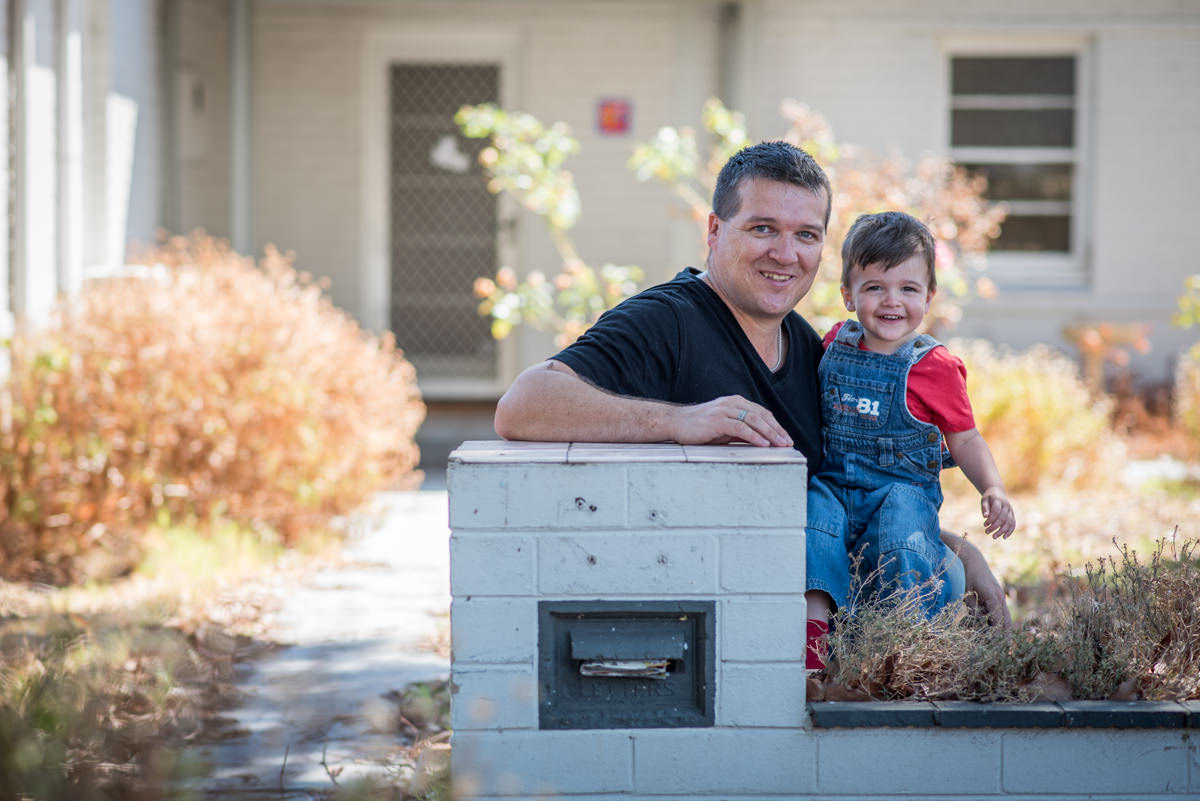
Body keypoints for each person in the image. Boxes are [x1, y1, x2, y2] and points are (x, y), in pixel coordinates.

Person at [493, 141, 1012, 628]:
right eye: (763, 228)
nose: (786, 254)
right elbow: (523, 405)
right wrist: (681, 421)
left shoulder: (815, 349)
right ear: (715, 230)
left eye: (806, 235)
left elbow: (848, 499)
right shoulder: (667, 321)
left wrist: (956, 551)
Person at [803, 211, 1016, 668]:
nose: (891, 300)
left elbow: (966, 438)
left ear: (930, 296)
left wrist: (992, 488)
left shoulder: (935, 366)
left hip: (900, 492)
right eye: (875, 287)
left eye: (908, 288)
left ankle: (904, 640)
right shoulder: (833, 344)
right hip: (836, 487)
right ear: (847, 295)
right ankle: (812, 636)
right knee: (814, 518)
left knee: (904, 531)